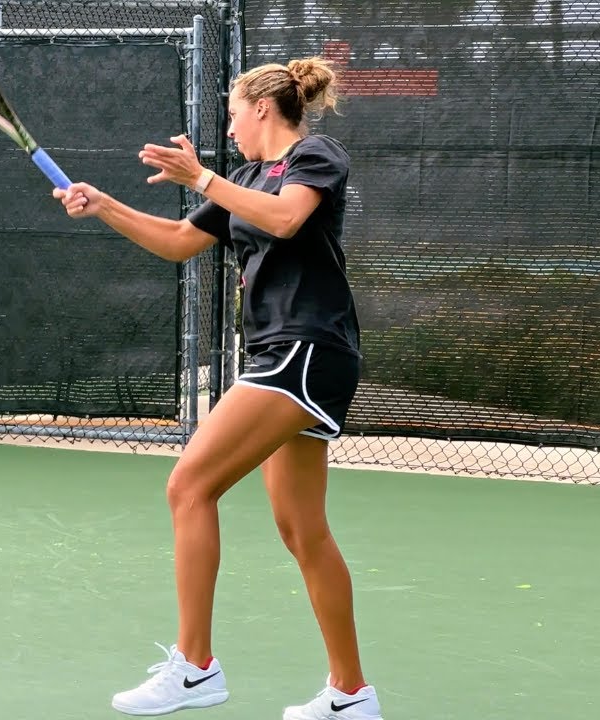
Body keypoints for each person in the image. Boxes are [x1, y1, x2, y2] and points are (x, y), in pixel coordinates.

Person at [53, 57, 382, 720]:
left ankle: (196, 667)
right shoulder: (243, 178)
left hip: (305, 350)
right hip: (281, 353)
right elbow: (179, 240)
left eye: (233, 114)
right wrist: (106, 205)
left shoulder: (315, 155)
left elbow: (288, 220)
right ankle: (352, 695)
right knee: (302, 530)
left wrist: (200, 175)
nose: (229, 128)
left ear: (263, 108)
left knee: (189, 485)